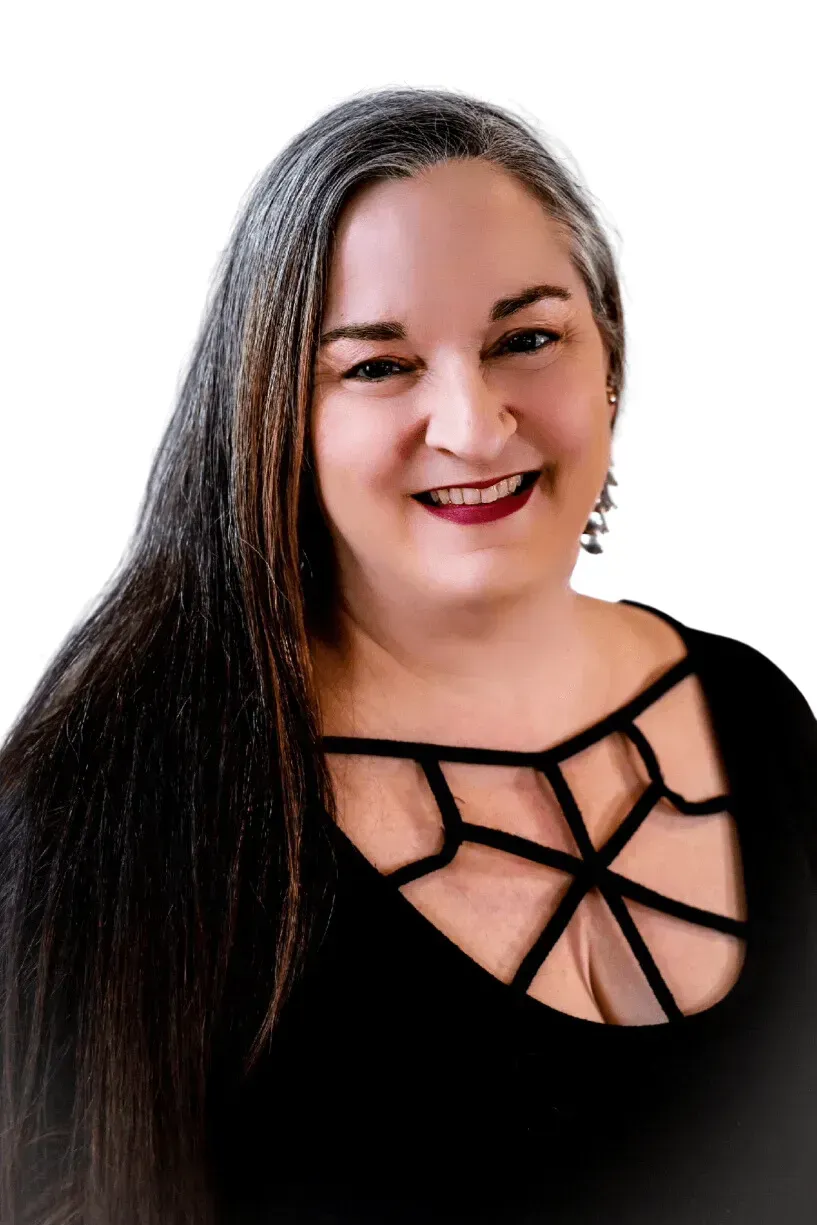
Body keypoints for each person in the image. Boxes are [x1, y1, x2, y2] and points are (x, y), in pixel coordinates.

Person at [1, 86, 816, 1225]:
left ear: (609, 362)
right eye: (377, 366)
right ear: (277, 413)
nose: (474, 426)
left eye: (526, 339)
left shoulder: (760, 714)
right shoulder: (112, 816)